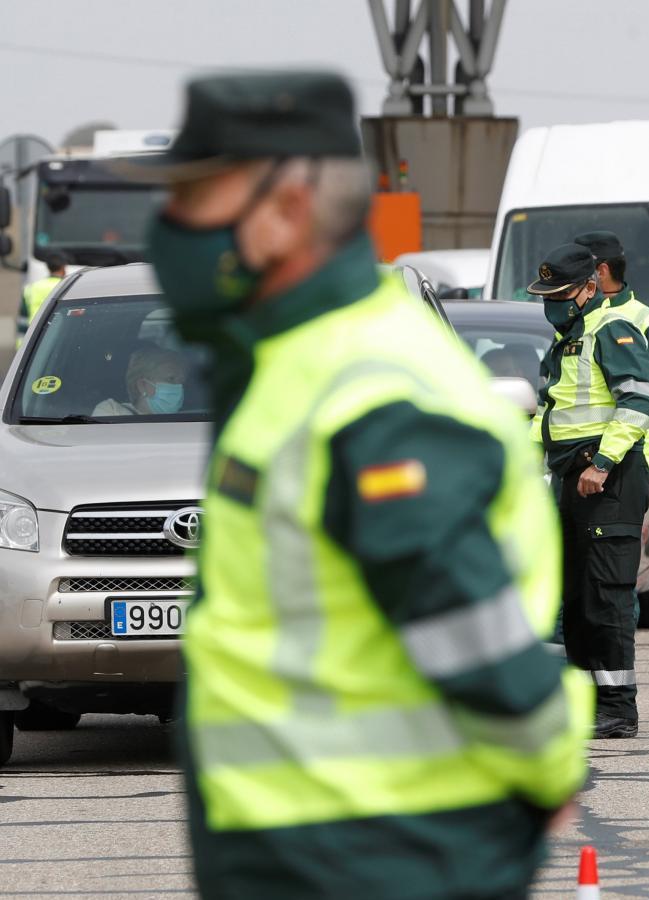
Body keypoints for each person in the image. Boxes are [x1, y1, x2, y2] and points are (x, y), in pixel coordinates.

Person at [135, 71, 592, 899]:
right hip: (325, 837)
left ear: (286, 208)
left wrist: (545, 760)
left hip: (380, 848)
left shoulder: (370, 391)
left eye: (196, 199)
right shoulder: (301, 360)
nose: (168, 230)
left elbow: (468, 621)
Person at [529, 243, 649, 739]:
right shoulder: (566, 342)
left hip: (608, 480)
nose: (551, 304)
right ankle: (586, 703)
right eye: (545, 295)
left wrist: (603, 462)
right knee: (577, 600)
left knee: (606, 599)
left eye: (560, 294)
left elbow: (638, 404)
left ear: (588, 289)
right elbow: (549, 415)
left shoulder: (612, 330)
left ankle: (618, 708)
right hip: (571, 480)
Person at [574, 229, 649, 474]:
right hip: (579, 468)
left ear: (602, 272)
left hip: (627, 471)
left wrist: (645, 471)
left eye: (578, 272)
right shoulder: (575, 320)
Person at [93, 345, 189, 416]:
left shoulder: (190, 421)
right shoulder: (111, 411)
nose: (178, 387)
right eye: (171, 379)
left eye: (181, 381)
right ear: (142, 385)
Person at [17, 252, 66, 348]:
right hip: (59, 337)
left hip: (35, 337)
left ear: (48, 268)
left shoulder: (31, 288)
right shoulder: (66, 287)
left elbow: (23, 320)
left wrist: (20, 347)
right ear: (63, 268)